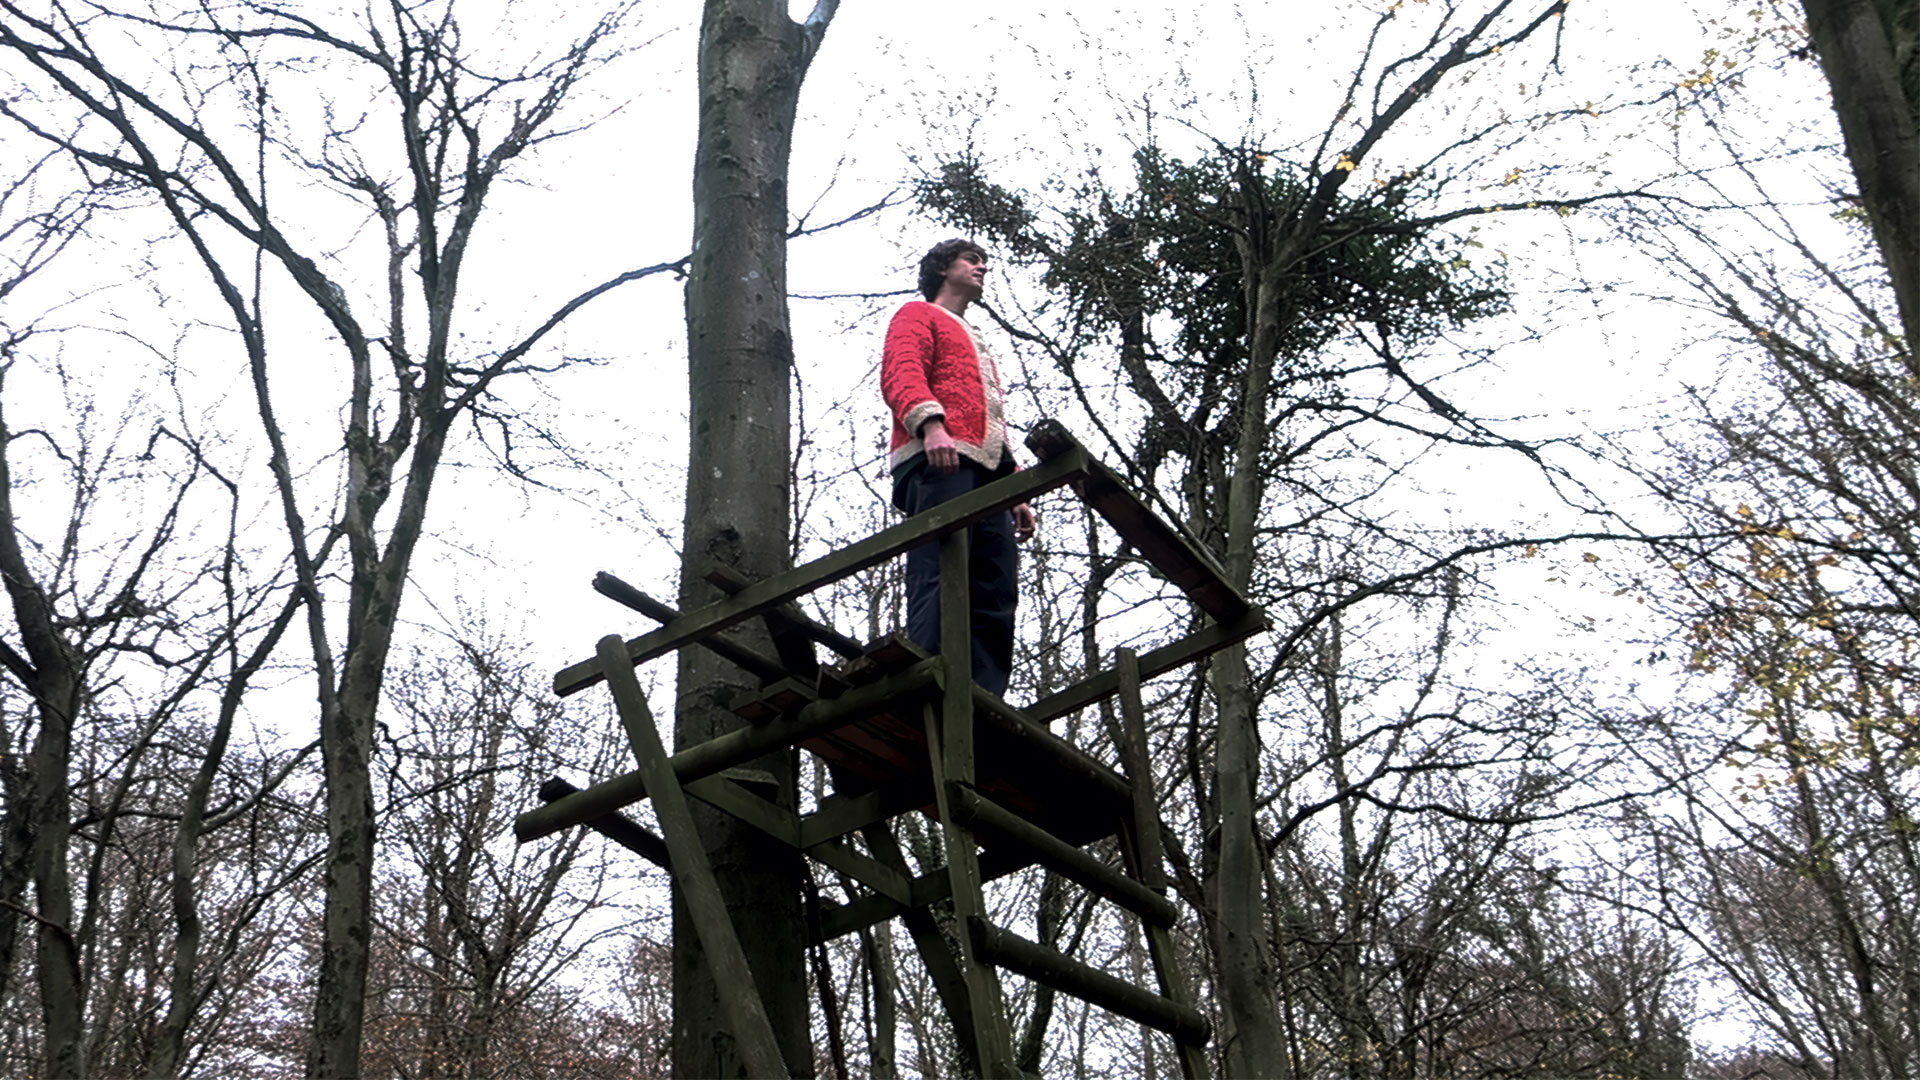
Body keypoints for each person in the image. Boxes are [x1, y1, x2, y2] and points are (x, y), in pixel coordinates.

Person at [881, 238, 1037, 697]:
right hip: (939, 461)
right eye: (972, 259)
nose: (982, 267)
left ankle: (984, 696)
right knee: (942, 570)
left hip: (987, 472)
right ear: (943, 268)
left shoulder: (980, 339)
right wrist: (930, 426)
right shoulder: (916, 315)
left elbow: (990, 421)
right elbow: (901, 371)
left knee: (995, 581)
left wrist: (1016, 490)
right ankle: (929, 679)